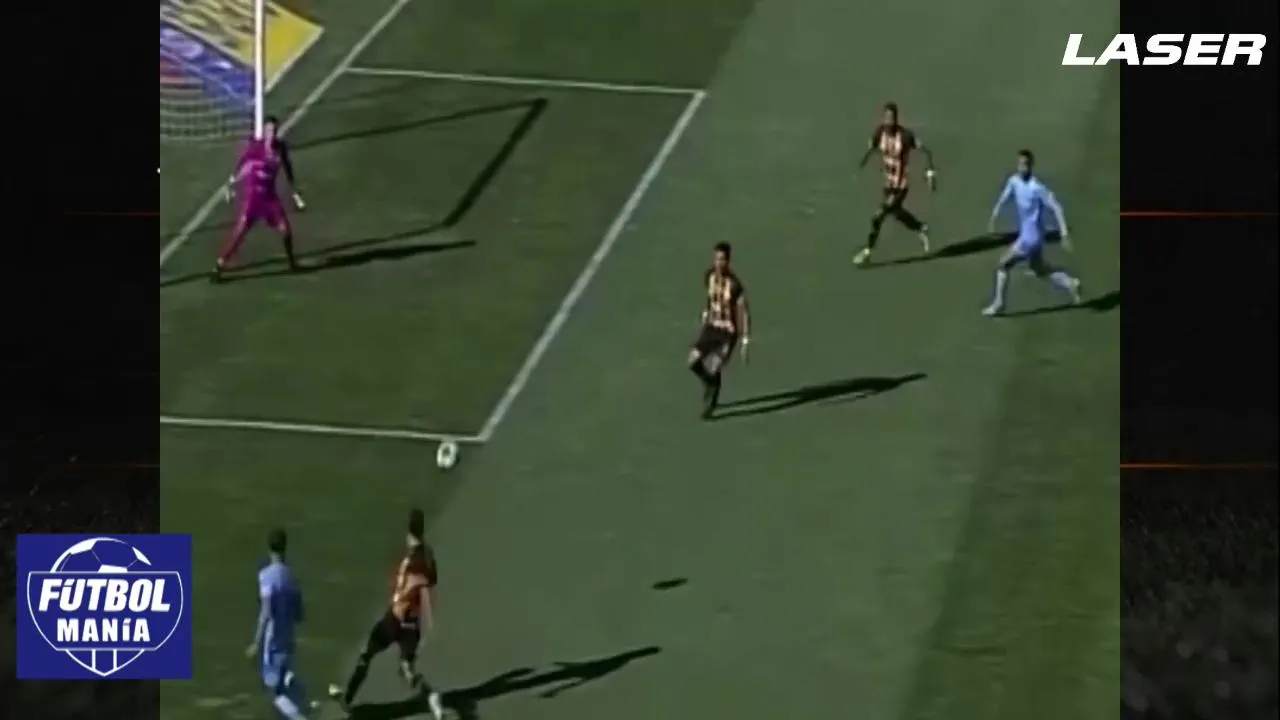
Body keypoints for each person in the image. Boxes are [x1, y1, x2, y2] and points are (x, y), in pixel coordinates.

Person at [330, 509, 443, 719]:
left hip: (395, 619)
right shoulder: (429, 556)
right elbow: (432, 582)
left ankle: (347, 700)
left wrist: (406, 594)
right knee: (408, 672)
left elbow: (417, 585)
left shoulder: (413, 561)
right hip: (412, 624)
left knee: (367, 653)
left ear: (408, 531)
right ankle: (432, 698)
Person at [983, 149, 1083, 316]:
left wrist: (1064, 233)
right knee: (1040, 270)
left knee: (1003, 264)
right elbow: (1005, 195)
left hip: (1031, 238)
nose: (1023, 168)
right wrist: (995, 214)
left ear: (1031, 166)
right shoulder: (1014, 181)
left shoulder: (1036, 188)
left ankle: (999, 304)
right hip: (1030, 238)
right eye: (1020, 164)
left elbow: (1056, 207)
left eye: (1026, 165)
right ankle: (1071, 283)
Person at [213, 116, 306, 281]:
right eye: (269, 130)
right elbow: (241, 164)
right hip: (253, 199)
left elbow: (287, 168)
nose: (271, 134)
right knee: (239, 234)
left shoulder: (280, 149)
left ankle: (292, 262)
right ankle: (219, 266)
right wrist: (231, 184)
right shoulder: (256, 147)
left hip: (269, 198)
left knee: (285, 230)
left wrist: (294, 191)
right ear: (264, 131)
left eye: (274, 130)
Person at [854, 102, 936, 266]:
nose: (888, 121)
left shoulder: (905, 136)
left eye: (891, 118)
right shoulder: (880, 133)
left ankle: (867, 251)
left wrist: (930, 173)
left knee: (878, 216)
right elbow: (871, 148)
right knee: (897, 213)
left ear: (896, 119)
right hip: (888, 185)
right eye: (886, 117)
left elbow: (926, 151)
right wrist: (861, 164)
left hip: (901, 186)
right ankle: (920, 228)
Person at [246, 528, 317, 719]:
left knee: (274, 692)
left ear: (269, 548)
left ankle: (301, 716)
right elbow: (300, 615)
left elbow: (266, 612)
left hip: (273, 643)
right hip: (289, 639)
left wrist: (256, 643)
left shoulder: (266, 576)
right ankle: (306, 703)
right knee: (285, 676)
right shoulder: (291, 577)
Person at [689, 242, 750, 419]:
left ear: (728, 261)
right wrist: (706, 311)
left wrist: (745, 339)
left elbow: (744, 312)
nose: (718, 262)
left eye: (722, 259)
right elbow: (711, 297)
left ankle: (710, 404)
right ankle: (709, 382)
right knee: (692, 361)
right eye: (716, 259)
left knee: (715, 366)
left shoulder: (735, 284)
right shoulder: (709, 276)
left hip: (727, 333)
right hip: (711, 327)